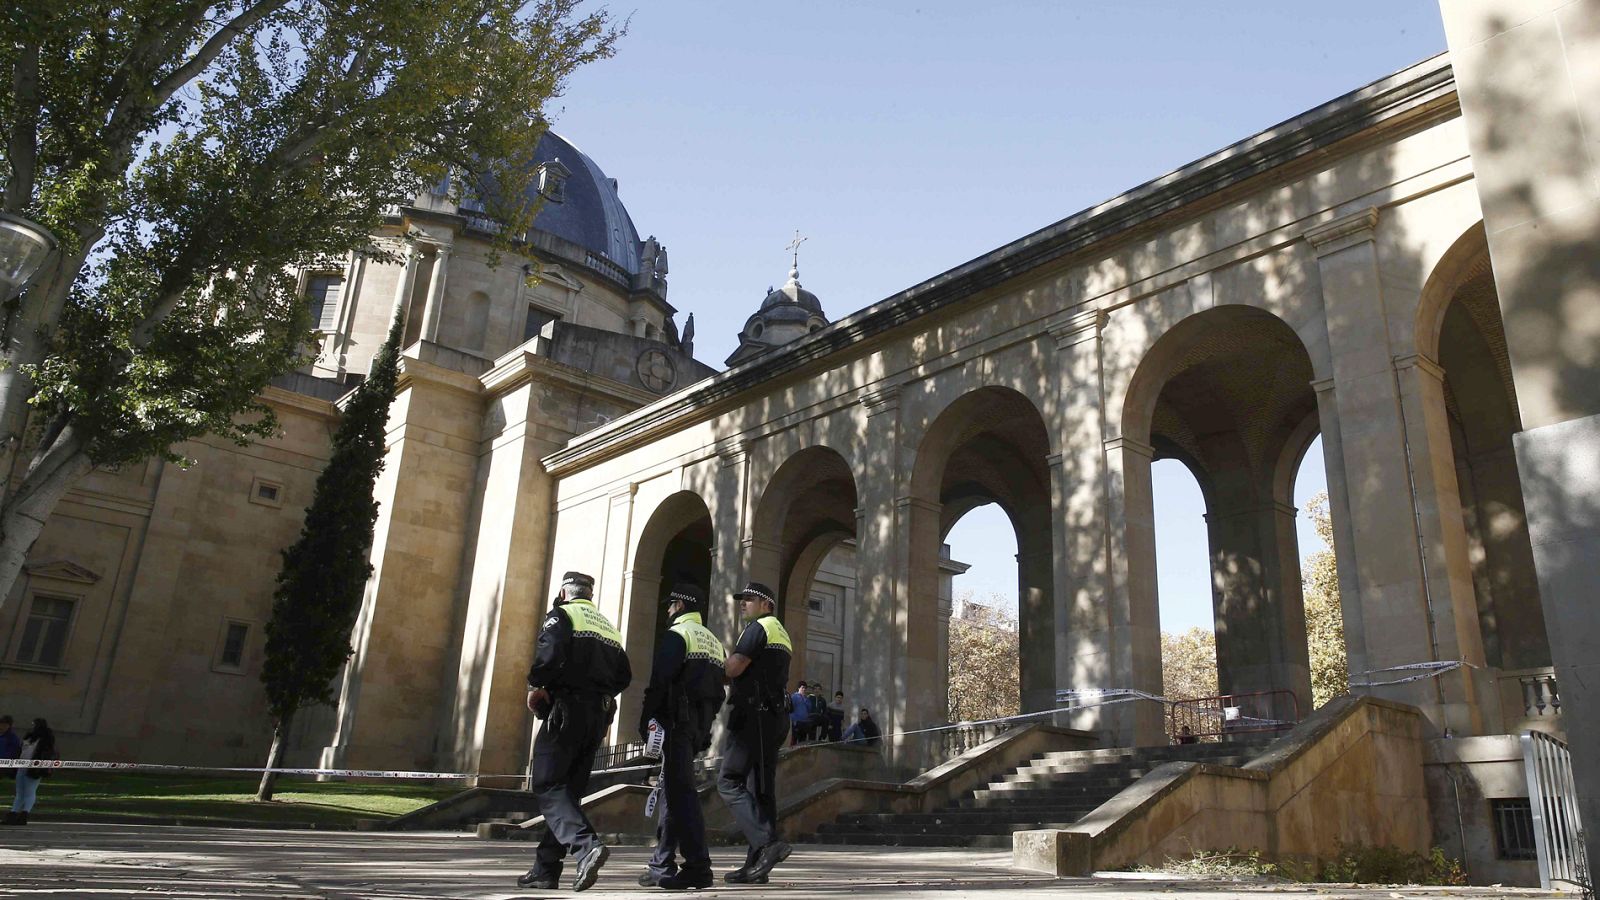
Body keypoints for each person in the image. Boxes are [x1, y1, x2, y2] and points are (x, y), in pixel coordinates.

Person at [519, 571, 633, 892]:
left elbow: (550, 654)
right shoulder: (607, 626)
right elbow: (625, 675)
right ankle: (545, 869)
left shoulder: (562, 614)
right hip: (598, 715)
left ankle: (586, 847)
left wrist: (537, 684)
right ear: (590, 595)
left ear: (564, 591)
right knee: (568, 790)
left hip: (566, 709)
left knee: (547, 781)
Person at [636, 582, 728, 891]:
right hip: (696, 728)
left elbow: (660, 682)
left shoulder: (678, 635)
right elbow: (718, 695)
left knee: (681, 795)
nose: (667, 609)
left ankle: (698, 866)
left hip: (674, 724)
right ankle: (661, 863)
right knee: (673, 792)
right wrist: (703, 732)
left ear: (681, 605)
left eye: (671, 604)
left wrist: (647, 720)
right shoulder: (715, 644)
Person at [718, 581, 793, 885]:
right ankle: (757, 865)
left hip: (754, 716)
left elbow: (734, 667)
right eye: (742, 600)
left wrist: (714, 670)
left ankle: (767, 842)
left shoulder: (759, 627)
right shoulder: (781, 632)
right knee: (762, 789)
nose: (743, 603)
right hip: (773, 717)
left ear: (767, 604)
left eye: (749, 599)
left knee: (728, 780)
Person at [5, 718, 56, 825]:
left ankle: (24, 814)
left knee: (29, 791)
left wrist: (40, 767)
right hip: (21, 766)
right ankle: (13, 814)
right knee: (20, 792)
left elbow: (46, 753)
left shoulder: (46, 739)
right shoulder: (28, 737)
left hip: (34, 768)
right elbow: (21, 750)